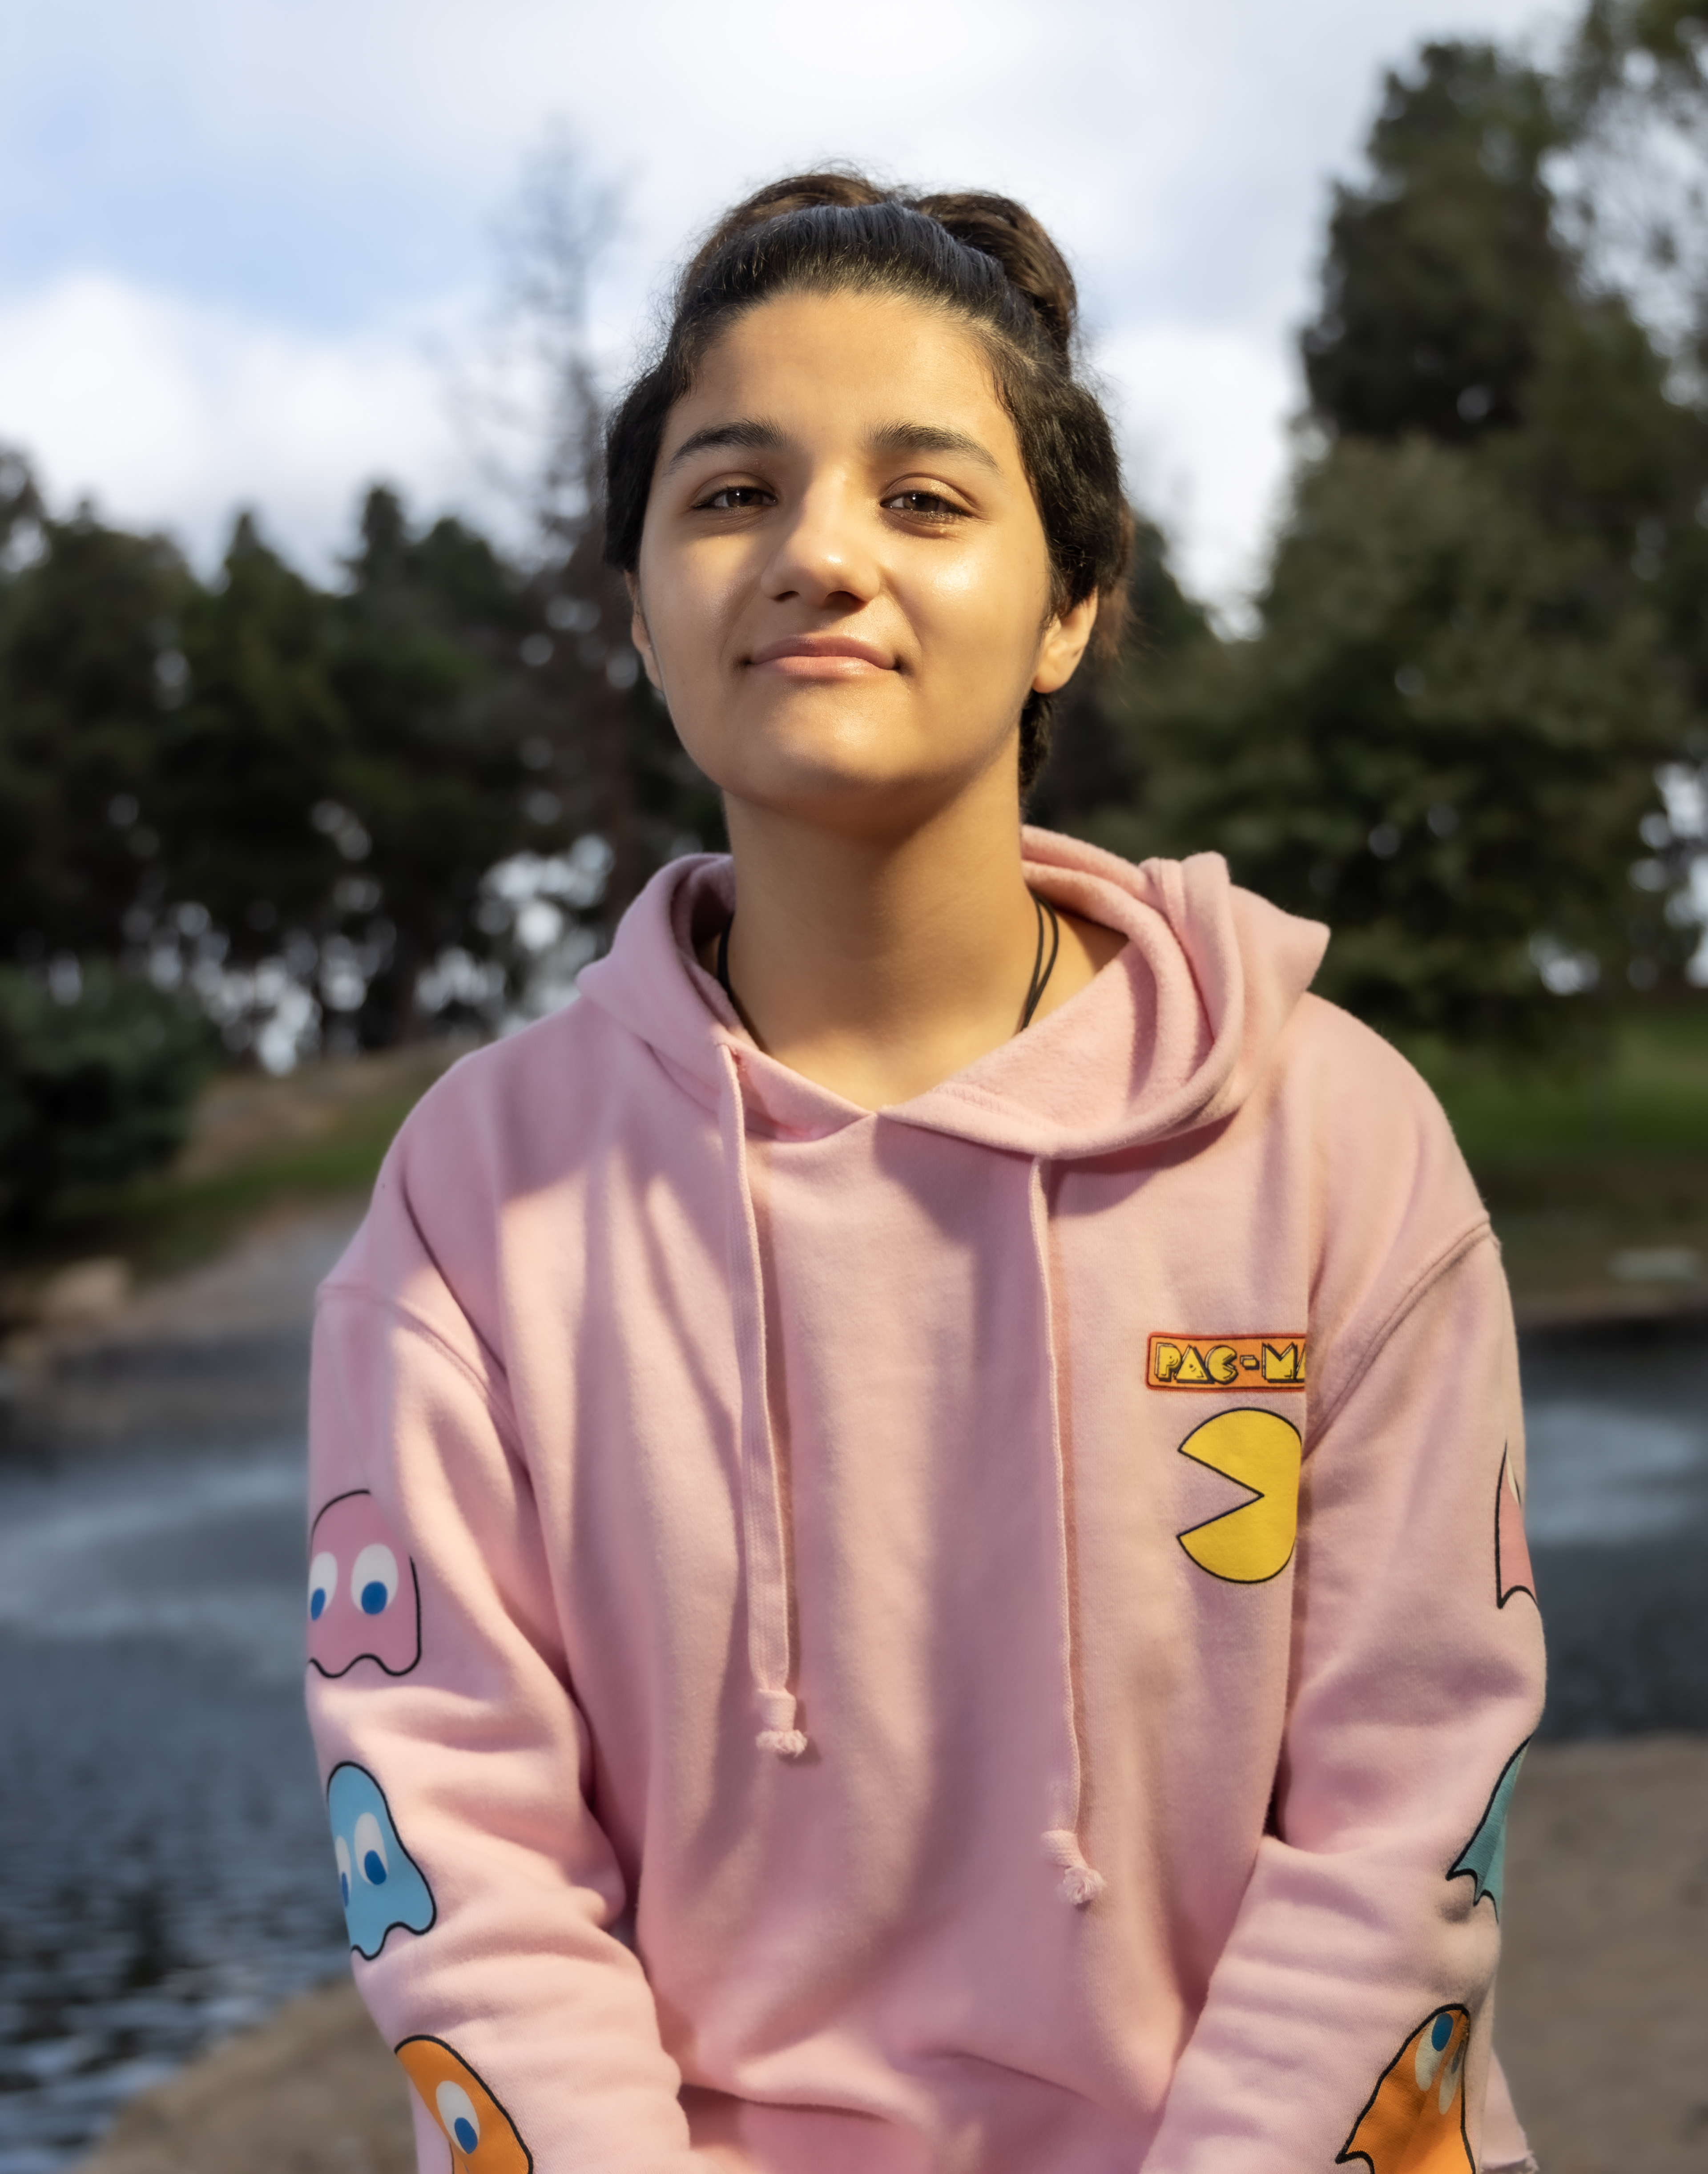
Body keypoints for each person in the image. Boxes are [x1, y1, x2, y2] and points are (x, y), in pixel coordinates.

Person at [305, 173, 1545, 2174]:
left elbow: (1405, 1815)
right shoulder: (474, 1197)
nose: (818, 554)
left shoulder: (1333, 1140)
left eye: (925, 496)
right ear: (640, 607)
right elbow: (460, 1851)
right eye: (731, 494)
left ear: (1071, 609)